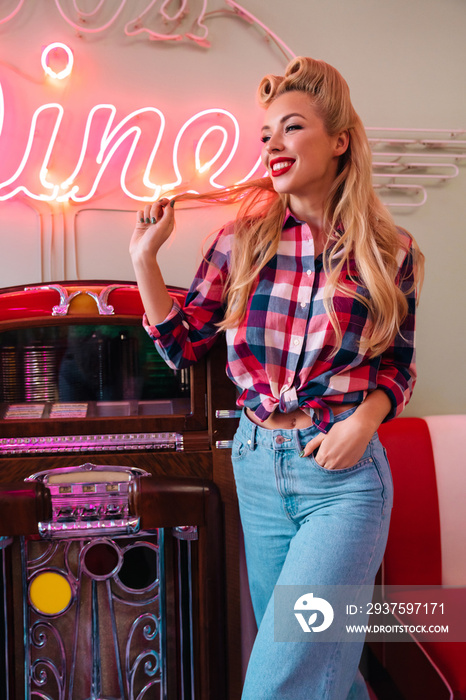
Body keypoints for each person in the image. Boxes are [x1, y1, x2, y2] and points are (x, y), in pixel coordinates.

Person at [130, 56, 424, 700]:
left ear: (339, 140)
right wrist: (144, 260)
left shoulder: (390, 250)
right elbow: (183, 347)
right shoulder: (241, 240)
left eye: (292, 128)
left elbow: (396, 366)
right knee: (326, 672)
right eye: (266, 135)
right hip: (258, 466)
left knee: (280, 681)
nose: (274, 145)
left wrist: (363, 422)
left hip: (342, 479)